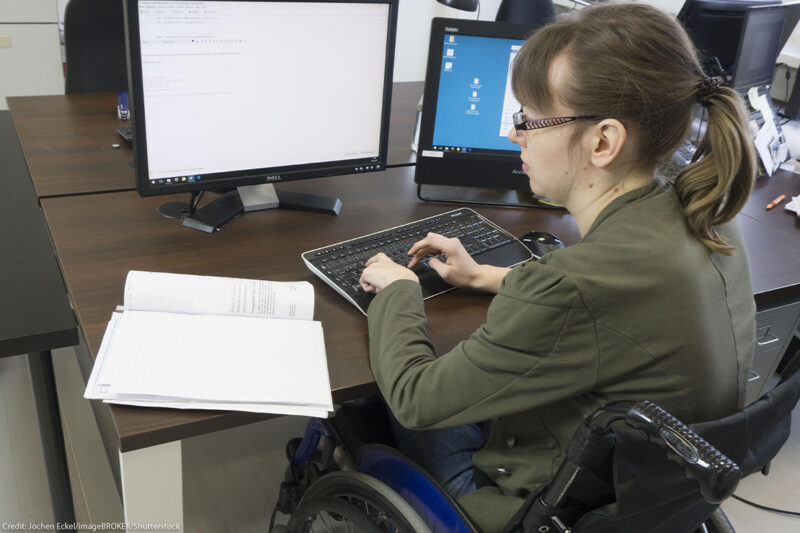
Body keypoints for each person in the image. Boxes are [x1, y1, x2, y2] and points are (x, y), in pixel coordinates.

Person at [359, 3, 756, 531]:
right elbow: (611, 308)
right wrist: (485, 276)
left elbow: (415, 398)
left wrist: (400, 288)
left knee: (370, 398)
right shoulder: (708, 213)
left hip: (539, 506)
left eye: (528, 119)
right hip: (639, 493)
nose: (513, 134)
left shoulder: (573, 286)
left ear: (603, 142)